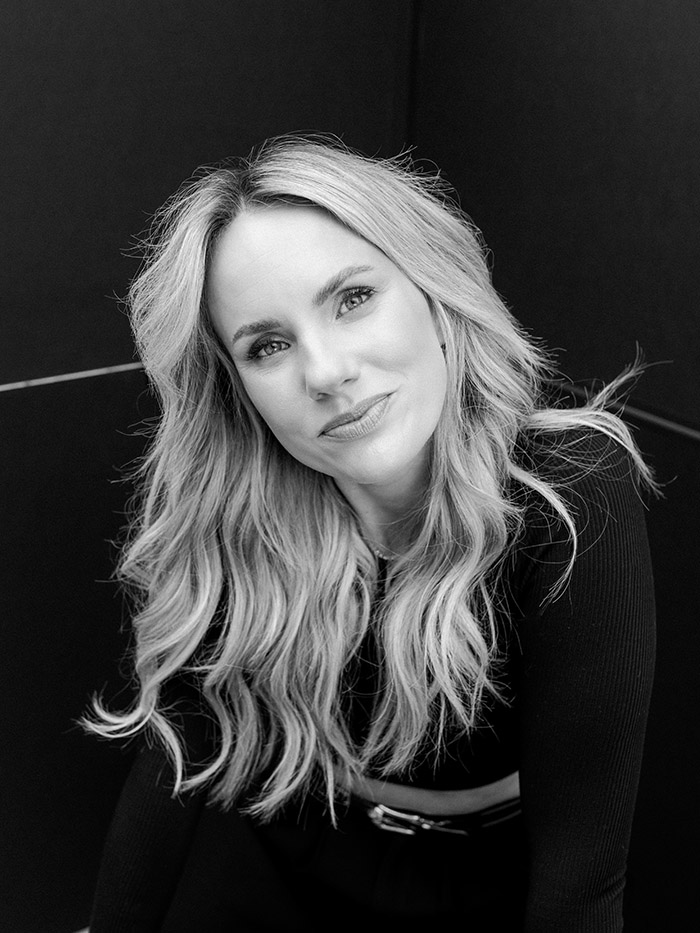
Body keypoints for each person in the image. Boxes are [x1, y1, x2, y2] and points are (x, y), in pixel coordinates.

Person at [86, 134, 656, 932]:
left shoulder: (571, 489)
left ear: (433, 289)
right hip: (288, 838)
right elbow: (177, 764)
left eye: (352, 298)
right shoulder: (238, 510)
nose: (326, 372)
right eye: (268, 345)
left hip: (496, 873)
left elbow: (583, 884)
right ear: (239, 388)